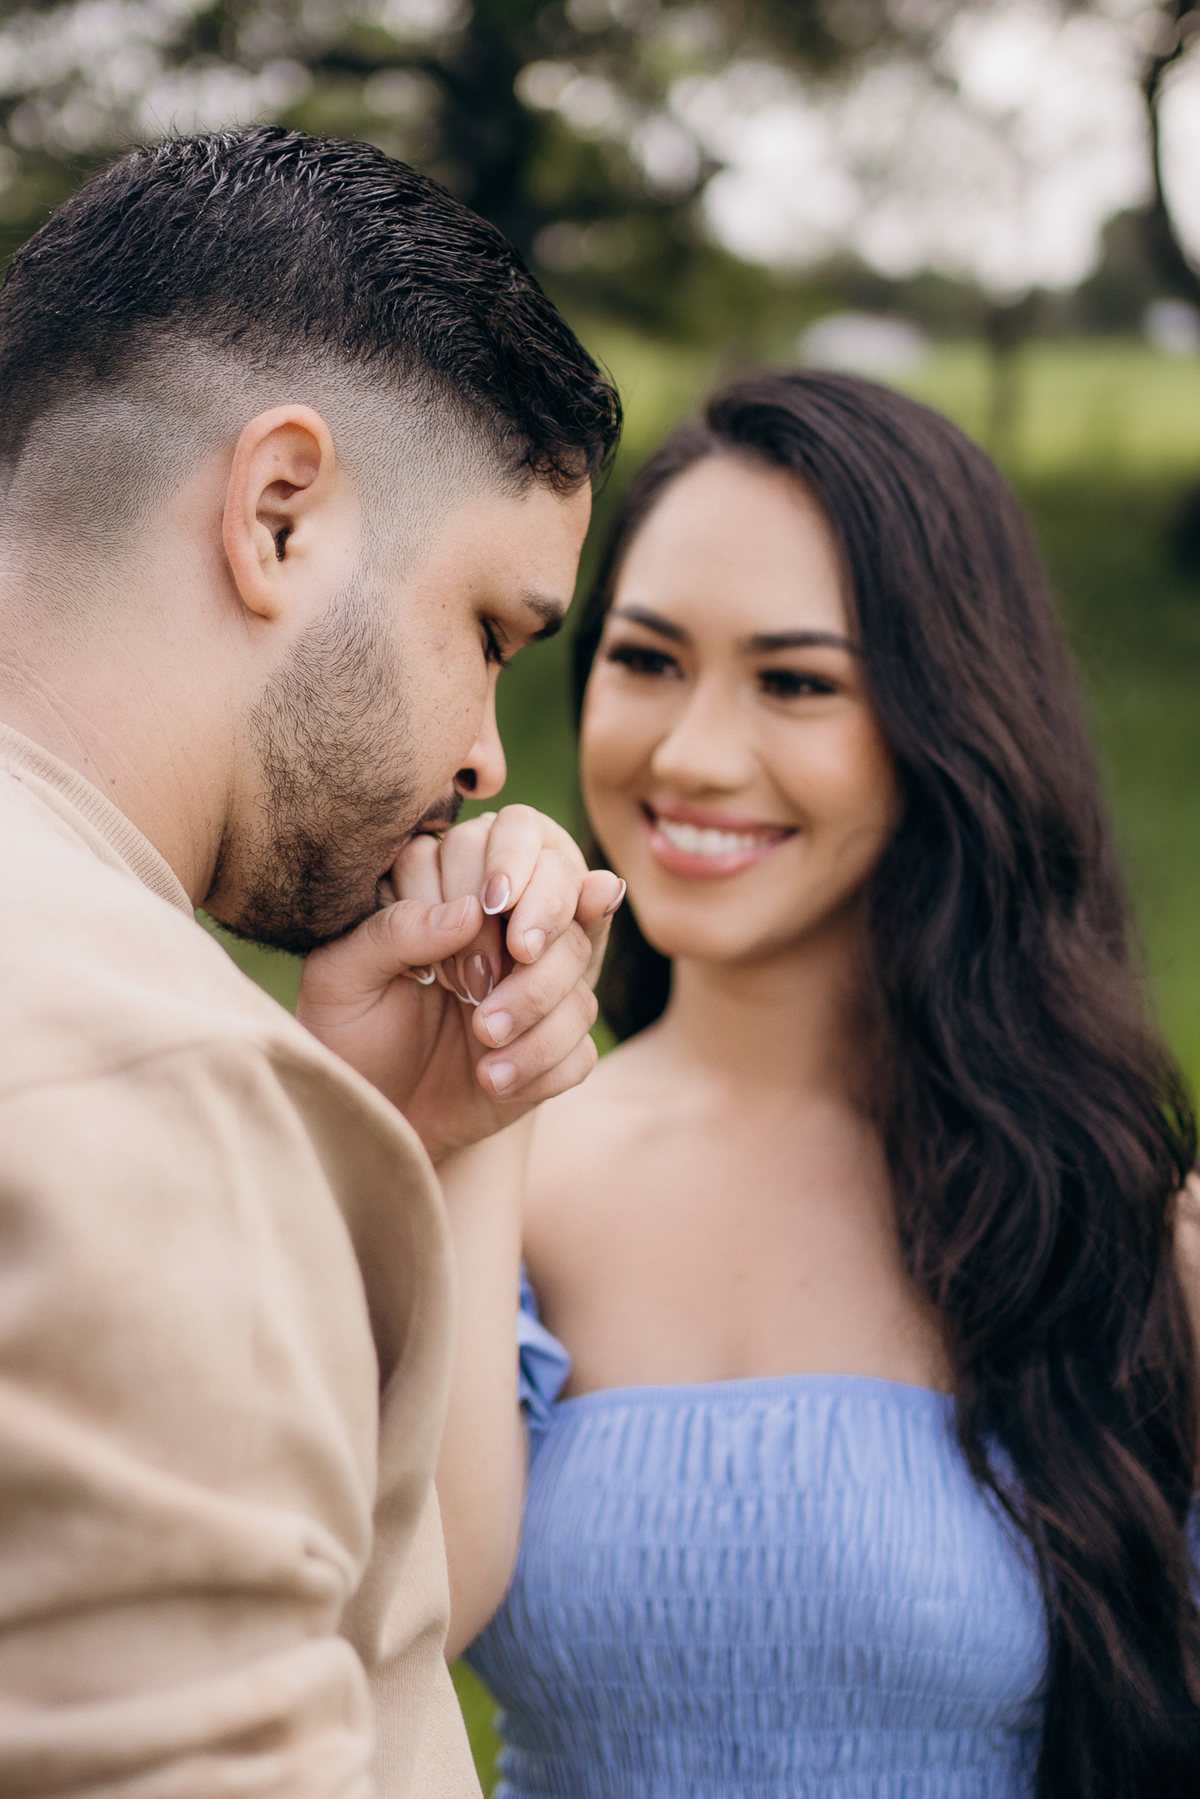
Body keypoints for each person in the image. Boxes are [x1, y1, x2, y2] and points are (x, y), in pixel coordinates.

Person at [433, 372, 1200, 1797]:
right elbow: (402, 1619)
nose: (695, 756)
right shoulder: (497, 1161)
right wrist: (472, 1123)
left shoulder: (1104, 1205)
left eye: (796, 682)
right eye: (647, 660)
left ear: (948, 720)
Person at [0, 126, 625, 1796]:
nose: (494, 759)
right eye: (490, 632)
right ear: (279, 514)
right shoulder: (154, 1082)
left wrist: (402, 1141)